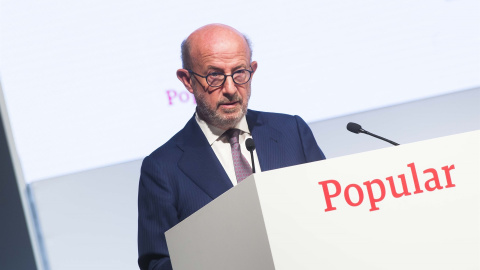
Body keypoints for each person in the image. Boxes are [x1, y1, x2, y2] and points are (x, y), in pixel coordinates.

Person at [137, 24, 326, 270]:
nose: (230, 89)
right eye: (214, 75)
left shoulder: (292, 132)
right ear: (187, 80)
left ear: (252, 71)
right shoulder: (162, 168)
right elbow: (157, 263)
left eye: (239, 73)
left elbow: (328, 212)